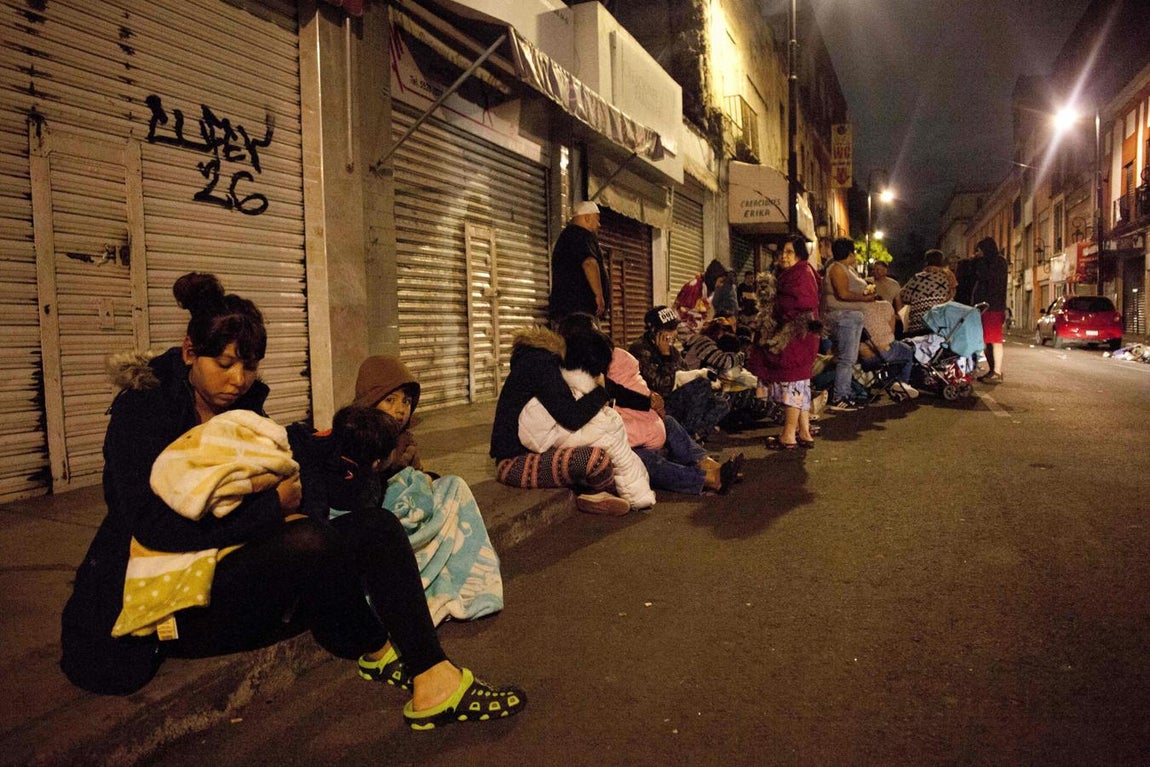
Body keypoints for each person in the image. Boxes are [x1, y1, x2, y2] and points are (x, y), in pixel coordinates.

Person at [60, 272, 524, 731]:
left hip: (235, 566)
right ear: (189, 352)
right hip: (170, 599)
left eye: (250, 366)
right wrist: (273, 509)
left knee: (376, 527)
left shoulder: (244, 410)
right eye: (224, 364)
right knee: (309, 541)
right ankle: (373, 645)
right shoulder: (143, 412)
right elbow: (151, 526)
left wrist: (308, 494)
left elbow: (299, 473)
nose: (238, 380)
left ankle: (432, 680)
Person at [290, 356, 505, 626]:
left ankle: (465, 578)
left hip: (405, 514)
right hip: (374, 518)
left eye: (405, 401)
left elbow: (420, 480)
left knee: (453, 486)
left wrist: (423, 479)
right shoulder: (351, 438)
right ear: (370, 401)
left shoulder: (405, 441)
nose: (400, 409)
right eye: (390, 400)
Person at [490, 323, 628, 515]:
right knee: (596, 459)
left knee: (614, 447)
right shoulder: (542, 365)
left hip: (539, 451)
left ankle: (602, 491)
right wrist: (599, 392)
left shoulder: (547, 360)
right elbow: (571, 417)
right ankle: (606, 492)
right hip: (514, 463)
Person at [517, 325, 656, 511]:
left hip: (543, 448)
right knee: (599, 454)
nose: (601, 375)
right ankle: (607, 494)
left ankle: (610, 494)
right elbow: (542, 431)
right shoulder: (550, 378)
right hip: (519, 461)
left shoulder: (567, 375)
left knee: (612, 445)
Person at [608, 347, 743, 494]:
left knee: (671, 420)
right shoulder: (641, 349)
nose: (670, 335)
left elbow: (680, 374)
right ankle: (709, 479)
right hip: (625, 430)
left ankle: (711, 466)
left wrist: (666, 356)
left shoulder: (671, 351)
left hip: (648, 411)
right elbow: (658, 386)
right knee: (641, 458)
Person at [746, 236, 821, 449]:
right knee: (800, 384)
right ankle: (804, 432)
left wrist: (776, 310)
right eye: (782, 253)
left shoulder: (801, 274)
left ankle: (788, 435)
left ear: (800, 254)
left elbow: (800, 304)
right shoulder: (798, 273)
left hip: (795, 338)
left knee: (793, 385)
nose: (784, 257)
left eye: (789, 252)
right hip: (799, 339)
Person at [628, 306, 731, 443]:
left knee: (722, 402)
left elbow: (685, 375)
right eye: (670, 330)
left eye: (675, 328)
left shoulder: (672, 350)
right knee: (702, 384)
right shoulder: (640, 350)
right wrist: (665, 357)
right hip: (656, 406)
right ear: (654, 331)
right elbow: (662, 387)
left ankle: (692, 436)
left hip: (677, 400)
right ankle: (686, 439)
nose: (675, 334)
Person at [821, 237, 872, 412]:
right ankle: (840, 397)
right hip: (844, 317)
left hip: (850, 317)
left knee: (847, 358)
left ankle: (843, 392)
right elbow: (842, 293)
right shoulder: (837, 268)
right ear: (850, 253)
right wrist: (866, 298)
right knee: (847, 359)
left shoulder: (846, 269)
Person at [548, 200, 607, 321]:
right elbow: (589, 263)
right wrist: (599, 296)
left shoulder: (567, 236)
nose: (599, 225)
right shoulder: (582, 235)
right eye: (597, 219)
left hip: (568, 311)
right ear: (587, 218)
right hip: (581, 312)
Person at [970, 236, 1009, 383]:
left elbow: (987, 279)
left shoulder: (995, 263)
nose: (977, 253)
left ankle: (997, 371)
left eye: (979, 250)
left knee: (994, 339)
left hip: (992, 306)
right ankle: (993, 370)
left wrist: (977, 262)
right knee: (987, 340)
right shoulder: (995, 262)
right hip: (988, 307)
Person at [899, 249, 957, 336]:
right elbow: (952, 296)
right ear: (942, 262)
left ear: (926, 262)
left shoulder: (916, 278)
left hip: (917, 326)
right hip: (941, 326)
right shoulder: (948, 277)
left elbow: (904, 297)